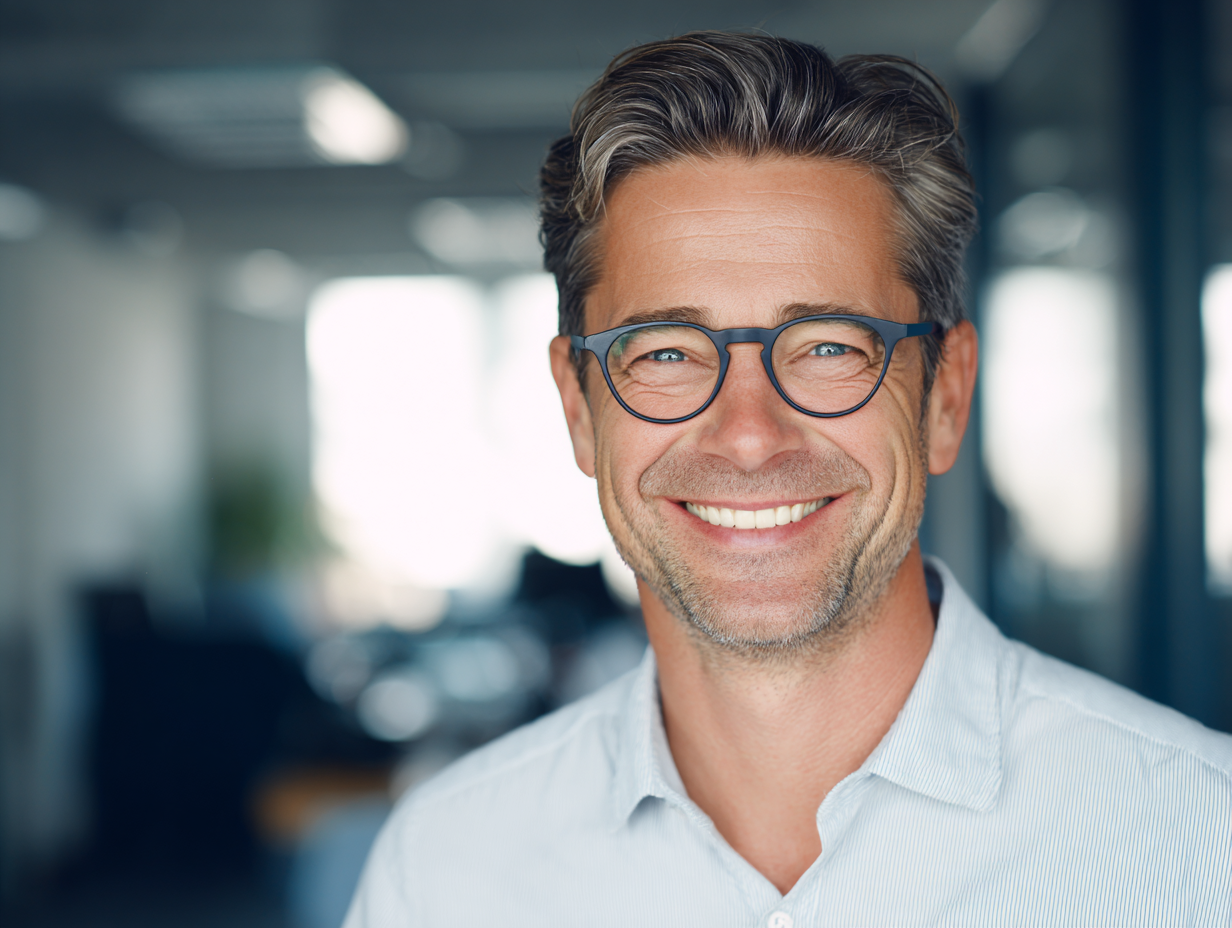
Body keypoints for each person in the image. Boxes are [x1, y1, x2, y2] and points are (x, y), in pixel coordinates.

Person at [345, 32, 1231, 927]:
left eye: (830, 348)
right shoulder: (446, 868)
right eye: (665, 352)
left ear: (945, 397)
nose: (750, 437)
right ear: (579, 409)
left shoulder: (1203, 841)